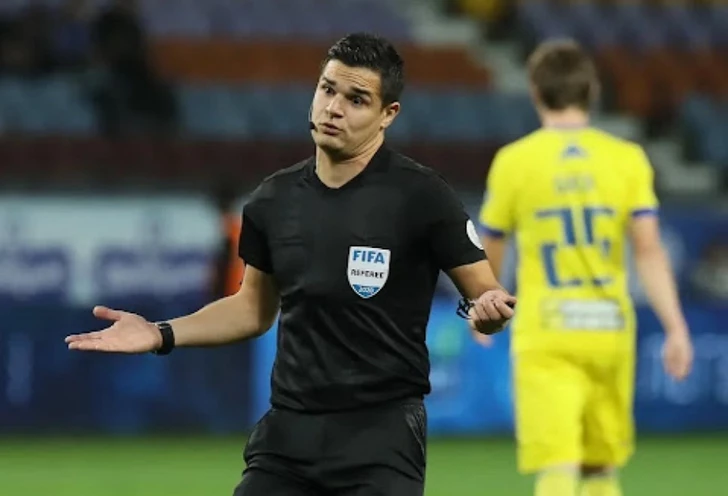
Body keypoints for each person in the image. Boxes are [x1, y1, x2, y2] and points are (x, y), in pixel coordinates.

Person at [65, 32, 516, 496]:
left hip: (381, 438)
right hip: (288, 436)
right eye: (327, 89)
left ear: (388, 114)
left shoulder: (422, 196)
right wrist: (160, 333)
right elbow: (251, 310)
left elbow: (486, 293)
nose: (334, 108)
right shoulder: (272, 200)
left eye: (357, 99)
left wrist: (489, 312)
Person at [477, 39, 694, 496]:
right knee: (600, 469)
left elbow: (491, 242)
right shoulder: (626, 158)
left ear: (535, 91)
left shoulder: (515, 161)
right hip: (608, 330)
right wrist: (676, 327)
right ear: (592, 91)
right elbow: (648, 251)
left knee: (558, 466)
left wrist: (485, 304)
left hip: (547, 330)